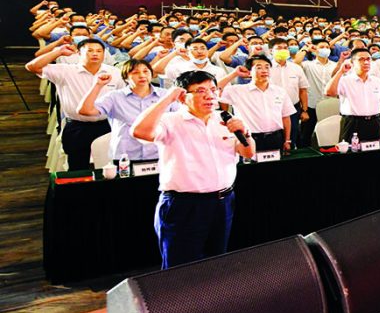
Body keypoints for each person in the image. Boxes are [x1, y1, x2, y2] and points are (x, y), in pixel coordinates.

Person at [131, 70, 255, 269]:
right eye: (200, 91)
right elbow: (139, 131)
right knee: (181, 269)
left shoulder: (225, 119)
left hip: (222, 202)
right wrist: (168, 98)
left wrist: (245, 133)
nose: (209, 96)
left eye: (213, 90)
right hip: (184, 205)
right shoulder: (170, 121)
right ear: (182, 97)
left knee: (216, 263)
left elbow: (248, 152)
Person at [26, 40, 125, 171]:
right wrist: (58, 52)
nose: (95, 54)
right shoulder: (66, 71)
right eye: (90, 51)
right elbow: (32, 67)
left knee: (109, 167)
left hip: (106, 125)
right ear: (78, 53)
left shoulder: (114, 72)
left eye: (99, 51)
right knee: (78, 167)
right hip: (78, 127)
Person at [78, 59, 179, 162]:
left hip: (160, 154)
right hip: (125, 157)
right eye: (135, 72)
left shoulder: (166, 95)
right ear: (125, 77)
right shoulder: (115, 97)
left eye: (145, 71)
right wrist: (98, 85)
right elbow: (85, 110)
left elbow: (180, 118)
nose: (142, 75)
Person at [219, 55, 294, 151]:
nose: (264, 70)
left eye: (267, 67)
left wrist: (287, 140)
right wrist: (234, 74)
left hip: (275, 138)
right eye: (259, 67)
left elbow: (286, 117)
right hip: (248, 138)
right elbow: (212, 90)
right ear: (249, 72)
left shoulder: (280, 91)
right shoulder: (238, 90)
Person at [326, 48, 380, 142]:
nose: (366, 62)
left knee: (375, 149)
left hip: (375, 122)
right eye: (361, 59)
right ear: (352, 63)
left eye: (368, 59)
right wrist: (340, 72)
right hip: (352, 123)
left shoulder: (377, 81)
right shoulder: (345, 80)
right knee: (351, 149)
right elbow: (329, 92)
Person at [267, 38, 309, 147]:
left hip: (293, 108)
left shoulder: (296, 68)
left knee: (291, 137)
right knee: (273, 139)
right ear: (271, 51)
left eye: (285, 48)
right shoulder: (266, 68)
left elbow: (303, 90)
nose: (283, 50)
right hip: (271, 108)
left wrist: (304, 110)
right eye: (279, 48)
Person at [300, 39, 338, 146]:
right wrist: (306, 49)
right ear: (315, 49)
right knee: (306, 134)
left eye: (327, 47)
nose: (325, 49)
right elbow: (296, 62)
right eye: (322, 47)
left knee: (331, 133)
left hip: (330, 104)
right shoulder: (308, 65)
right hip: (312, 104)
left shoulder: (335, 65)